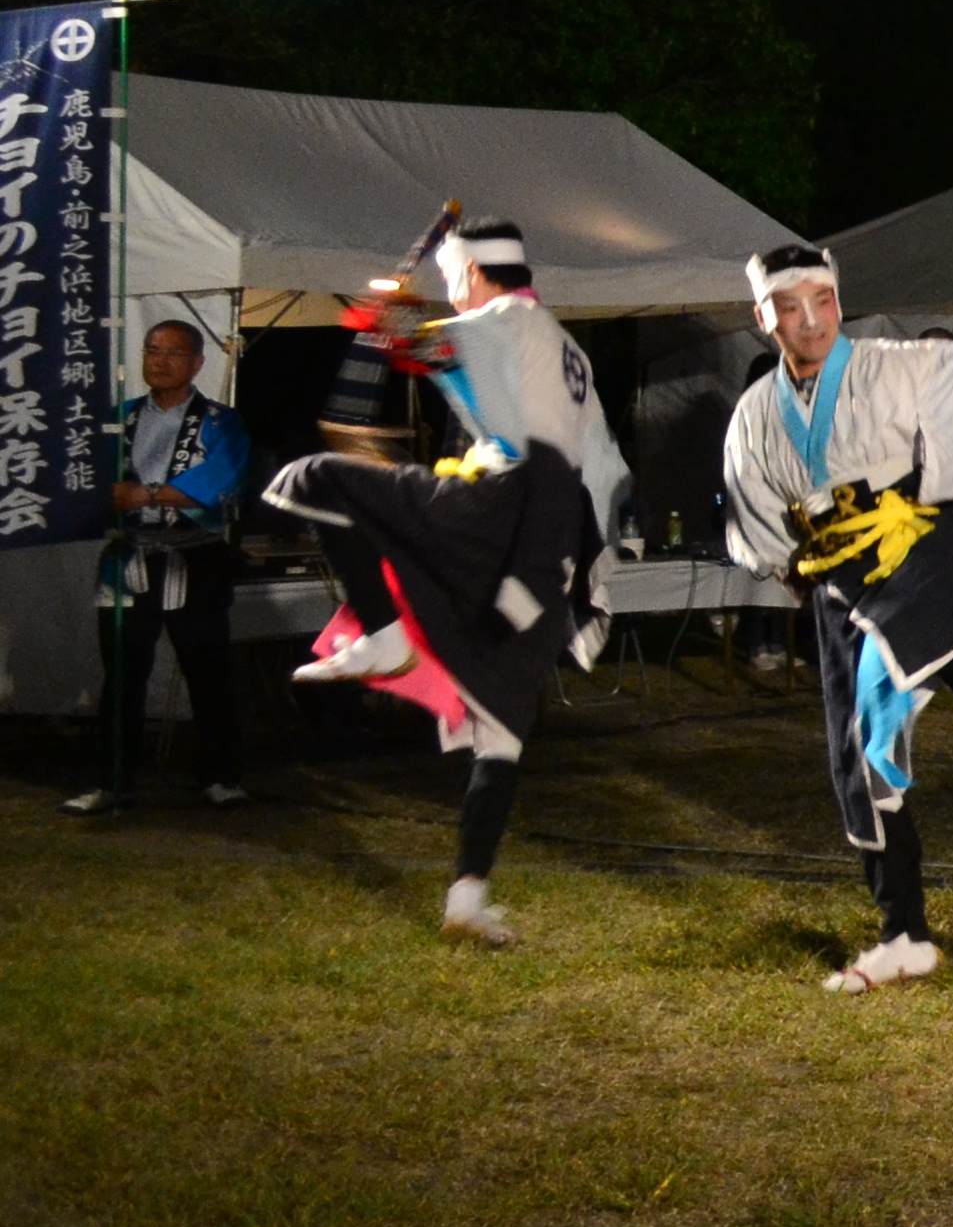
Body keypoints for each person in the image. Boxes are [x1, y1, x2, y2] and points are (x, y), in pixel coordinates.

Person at [720, 245, 953, 993]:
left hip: (920, 547)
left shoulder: (890, 363)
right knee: (858, 761)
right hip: (839, 584)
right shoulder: (755, 415)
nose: (812, 320)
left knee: (888, 679)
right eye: (790, 308)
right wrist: (802, 578)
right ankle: (905, 933)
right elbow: (754, 516)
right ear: (765, 318)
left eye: (823, 301)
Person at [276, 218, 630, 946]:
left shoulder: (503, 319)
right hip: (553, 541)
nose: (449, 290)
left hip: (509, 518)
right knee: (499, 728)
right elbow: (447, 360)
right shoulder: (552, 339)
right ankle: (468, 899)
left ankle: (386, 635)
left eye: (451, 277)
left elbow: (431, 343)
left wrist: (387, 316)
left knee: (309, 478)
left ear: (470, 273)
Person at [69, 318, 253, 813]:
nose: (161, 360)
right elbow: (87, 478)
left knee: (206, 668)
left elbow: (222, 482)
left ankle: (220, 776)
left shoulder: (220, 421)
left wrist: (144, 493)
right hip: (128, 554)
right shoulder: (120, 417)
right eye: (153, 350)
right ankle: (112, 780)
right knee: (123, 674)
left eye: (174, 352)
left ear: (197, 362)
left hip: (195, 552)